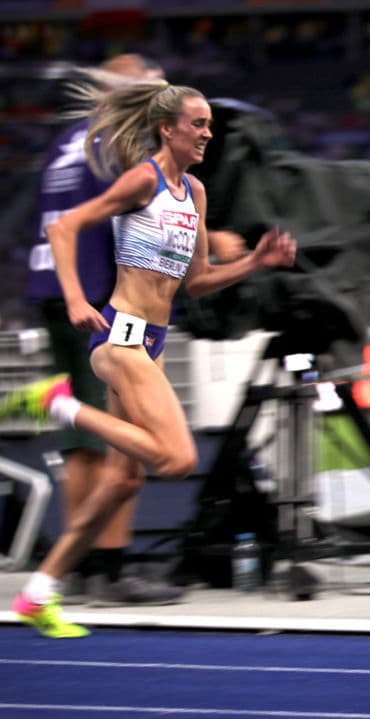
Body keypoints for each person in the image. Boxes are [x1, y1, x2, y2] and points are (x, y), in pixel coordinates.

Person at [2, 71, 296, 638]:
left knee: (124, 481)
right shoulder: (144, 180)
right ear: (167, 128)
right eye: (198, 124)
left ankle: (40, 593)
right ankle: (57, 405)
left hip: (153, 342)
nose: (208, 134)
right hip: (121, 337)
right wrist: (72, 299)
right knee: (178, 459)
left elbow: (199, 282)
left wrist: (256, 262)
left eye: (210, 124)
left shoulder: (195, 193)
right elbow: (65, 228)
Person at [23, 53, 195, 609]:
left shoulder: (75, 139)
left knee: (91, 448)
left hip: (54, 288)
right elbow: (116, 218)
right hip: (98, 300)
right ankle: (107, 568)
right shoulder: (119, 144)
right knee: (114, 444)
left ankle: (82, 570)